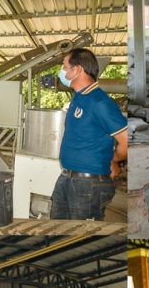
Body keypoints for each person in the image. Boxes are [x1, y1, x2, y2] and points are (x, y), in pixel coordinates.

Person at [51, 48, 127, 220]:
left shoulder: (100, 102)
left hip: (88, 184)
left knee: (80, 235)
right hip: (66, 177)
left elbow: (125, 140)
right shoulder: (78, 97)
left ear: (77, 70)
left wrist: (114, 160)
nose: (62, 72)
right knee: (58, 229)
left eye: (64, 67)